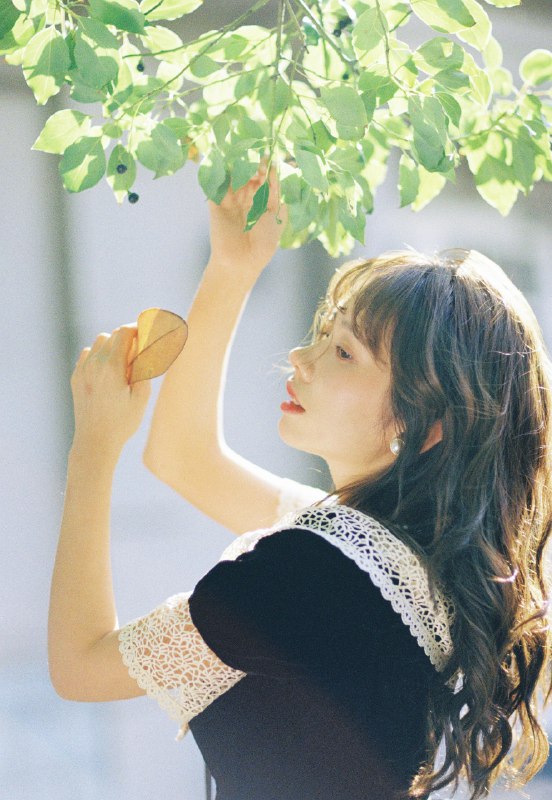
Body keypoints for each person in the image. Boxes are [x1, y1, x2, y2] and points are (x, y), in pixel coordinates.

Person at [48, 164, 552, 800]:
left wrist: (91, 449)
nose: (299, 358)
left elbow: (81, 666)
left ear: (425, 423)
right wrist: (233, 267)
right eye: (324, 336)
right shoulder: (391, 560)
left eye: (344, 353)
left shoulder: (309, 571)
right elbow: (182, 457)